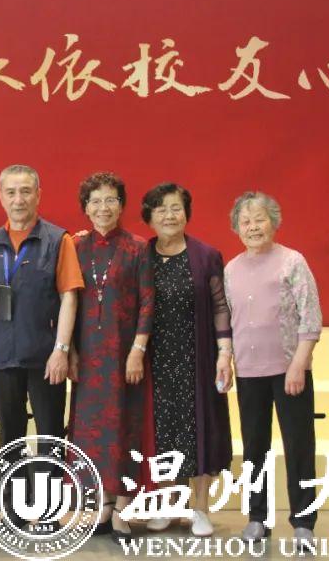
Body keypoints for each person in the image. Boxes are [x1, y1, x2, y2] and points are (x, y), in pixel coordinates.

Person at [0, 164, 83, 530]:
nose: (18, 199)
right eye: (11, 192)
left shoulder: (57, 240)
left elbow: (69, 297)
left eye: (25, 191)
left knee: (50, 434)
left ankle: (49, 510)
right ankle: (14, 509)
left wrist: (61, 349)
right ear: (0, 197)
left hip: (45, 355)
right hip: (2, 354)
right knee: (10, 434)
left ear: (38, 195)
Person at [224, 191, 322, 549]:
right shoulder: (231, 269)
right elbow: (228, 321)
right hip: (248, 371)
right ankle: (257, 518)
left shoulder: (292, 261)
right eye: (245, 222)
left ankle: (304, 522)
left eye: (259, 219)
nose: (253, 227)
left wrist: (299, 363)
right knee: (254, 447)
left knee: (299, 445)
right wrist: (226, 359)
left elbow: (310, 316)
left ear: (273, 222)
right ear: (237, 228)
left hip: (289, 369)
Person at [140, 182, 233, 538]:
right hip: (155, 360)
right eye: (161, 209)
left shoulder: (206, 255)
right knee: (162, 433)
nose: (169, 215)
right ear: (149, 217)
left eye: (176, 208)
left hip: (198, 358)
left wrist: (224, 351)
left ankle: (201, 509)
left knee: (200, 432)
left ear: (186, 214)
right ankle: (168, 504)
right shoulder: (142, 255)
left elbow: (221, 306)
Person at [66, 172, 154, 541]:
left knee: (125, 429)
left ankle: (122, 508)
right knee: (91, 432)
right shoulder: (75, 246)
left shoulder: (137, 248)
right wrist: (70, 351)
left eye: (111, 200)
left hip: (124, 355)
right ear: (86, 208)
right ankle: (101, 503)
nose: (103, 207)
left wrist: (137, 350)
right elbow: (66, 301)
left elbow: (148, 302)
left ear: (121, 205)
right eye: (96, 201)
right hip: (88, 357)